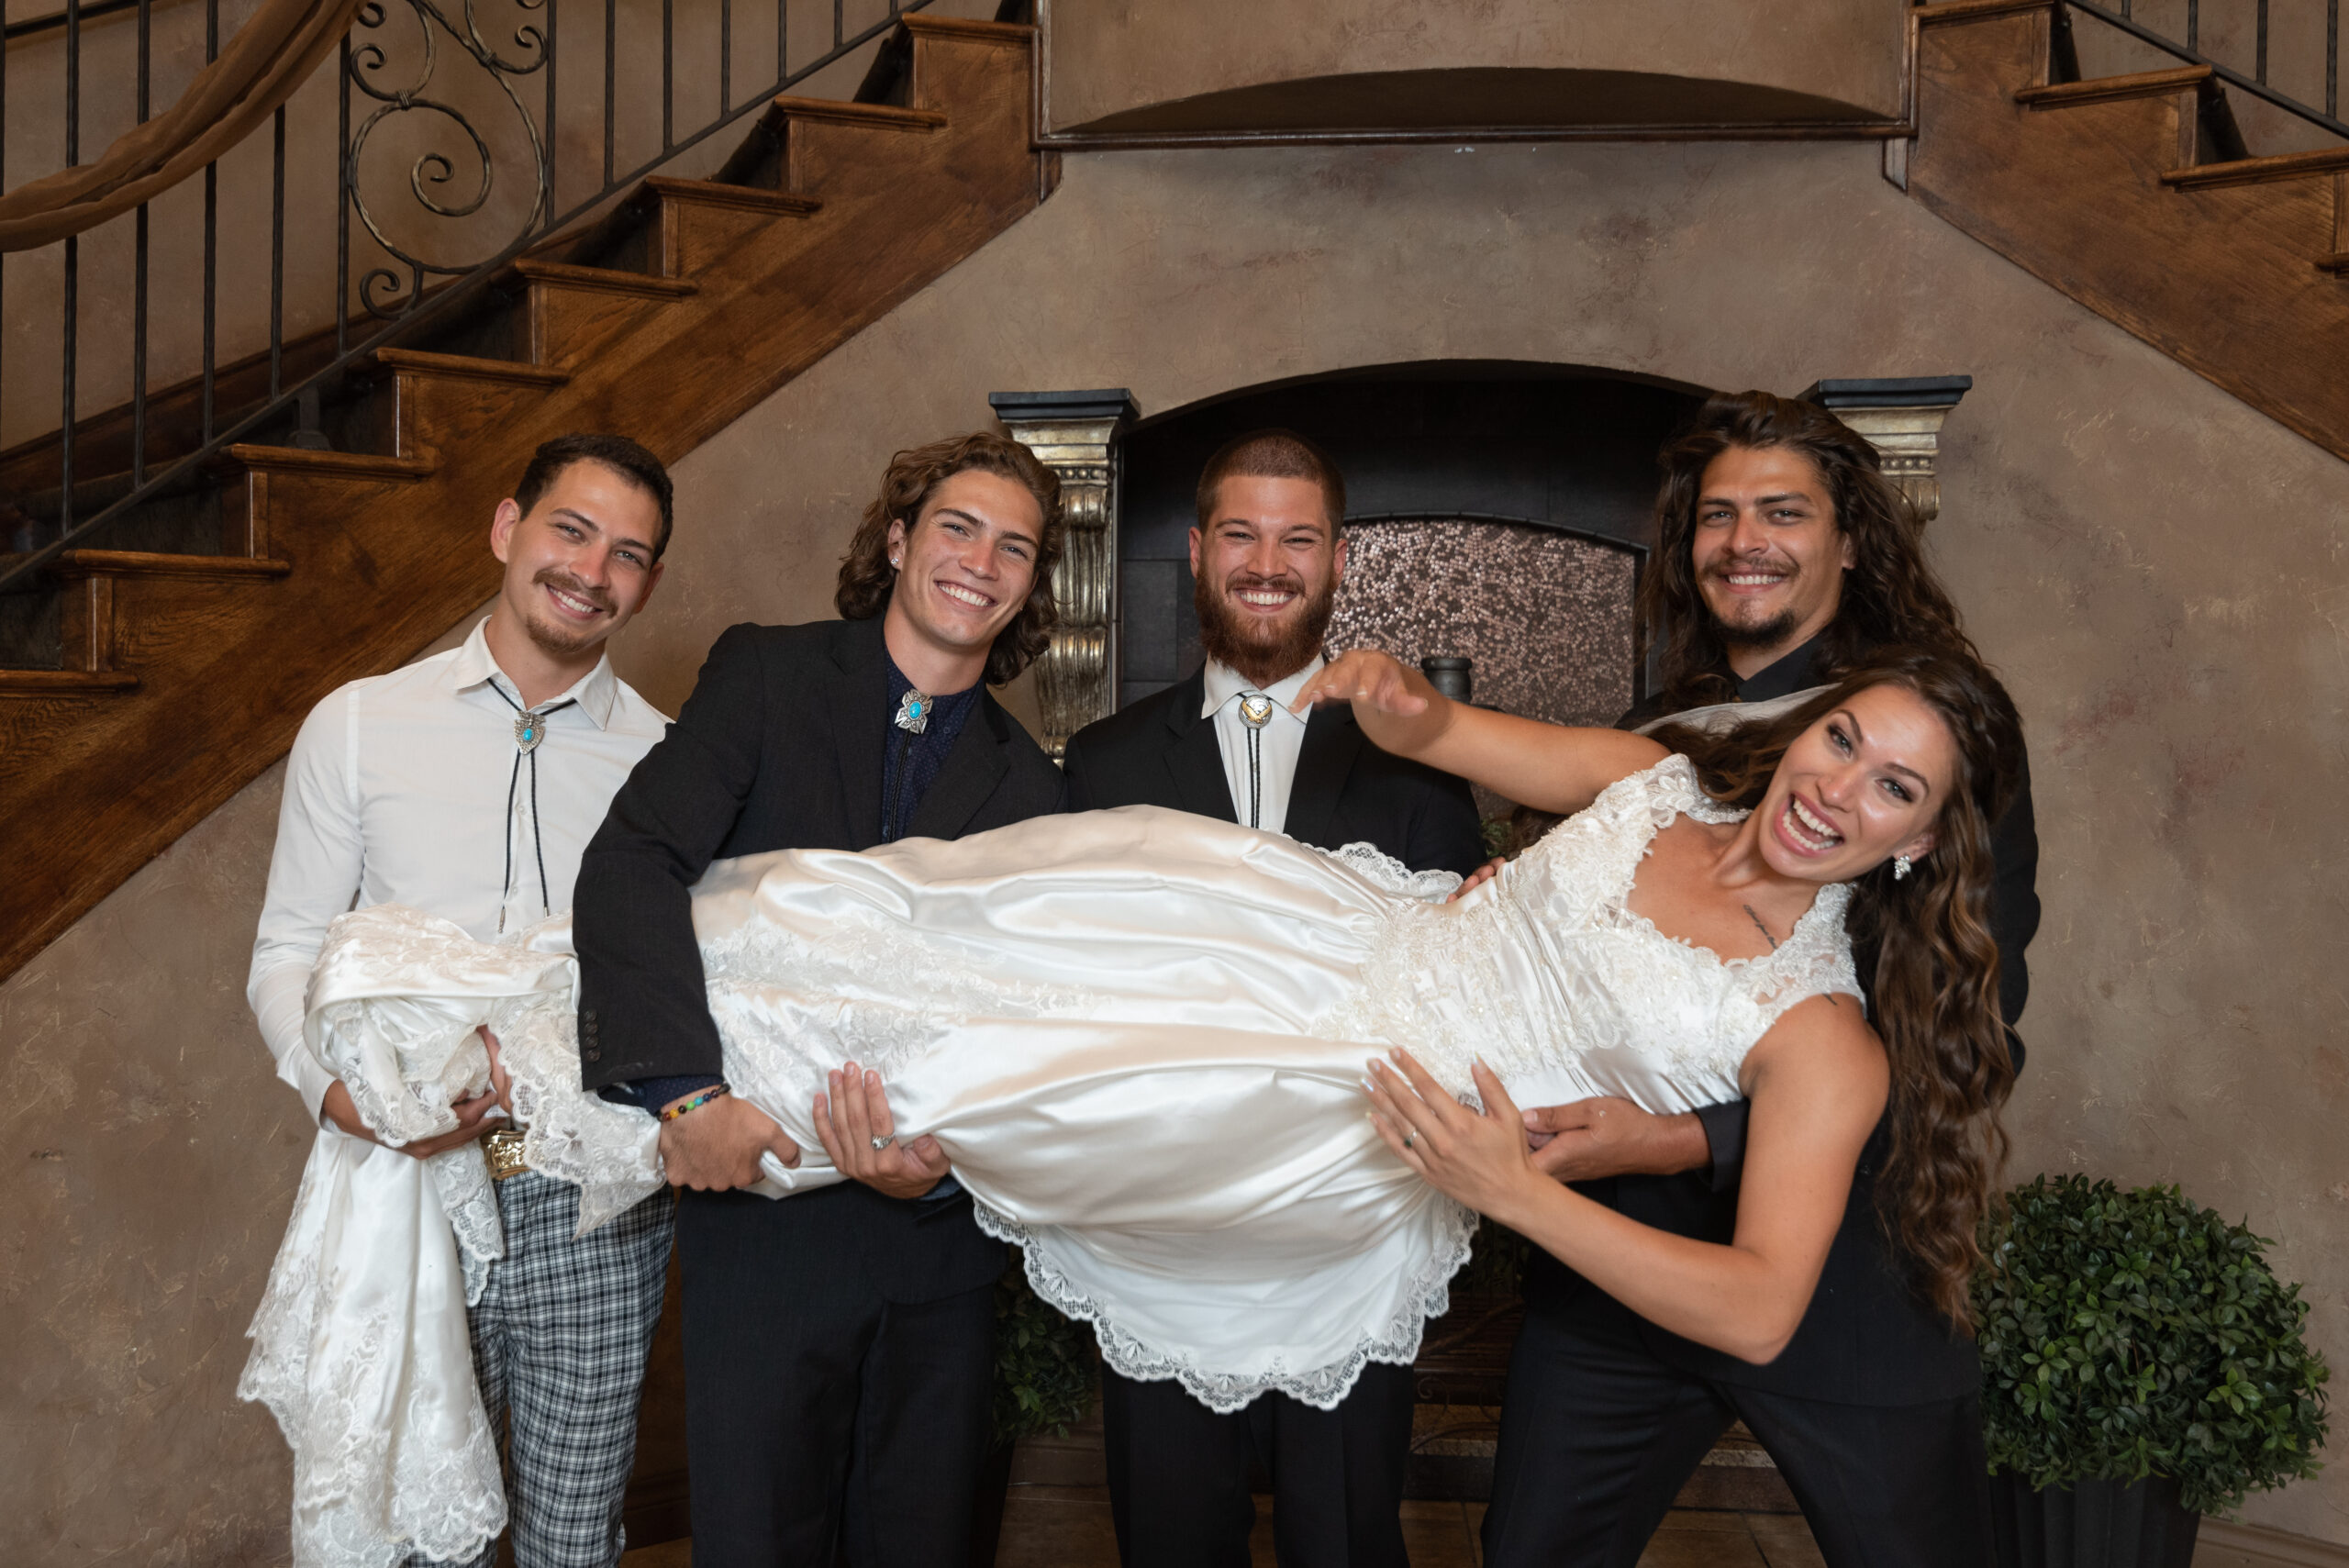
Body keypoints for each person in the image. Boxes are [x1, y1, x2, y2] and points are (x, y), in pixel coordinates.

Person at [298, 647, 2020, 1568]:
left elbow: (1759, 1297)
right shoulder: (1652, 777)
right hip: (1320, 930)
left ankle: (623, 1099)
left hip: (1366, 1101)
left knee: (1018, 1074)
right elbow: (1463, 735)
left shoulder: (1819, 1032)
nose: (1838, 784)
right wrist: (1405, 707)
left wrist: (1520, 1188)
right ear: (1803, 725)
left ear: (1919, 839)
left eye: (1893, 786)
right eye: (1844, 737)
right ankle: (519, 1015)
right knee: (937, 914)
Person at [1483, 390, 2043, 1567]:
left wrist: (1677, 1139)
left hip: (1849, 1281)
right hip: (1617, 1274)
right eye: (1717, 515)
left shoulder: (1925, 735)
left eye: (1782, 512)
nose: (1745, 542)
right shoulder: (1659, 733)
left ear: (1851, 539)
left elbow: (1972, 1031)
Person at [567, 432, 1068, 1566]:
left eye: (1014, 548)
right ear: (897, 541)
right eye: (956, 527)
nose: (979, 562)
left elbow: (1029, 1019)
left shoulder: (1037, 789)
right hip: (764, 1222)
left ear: (1030, 586)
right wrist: (686, 1095)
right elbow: (633, 860)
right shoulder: (767, 675)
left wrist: (943, 1165)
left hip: (936, 1250)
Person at [240, 434, 679, 1568]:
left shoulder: (670, 758)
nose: (591, 569)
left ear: (649, 584)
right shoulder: (359, 721)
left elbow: (682, 981)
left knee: (573, 1541)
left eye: (627, 553)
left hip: (592, 1205)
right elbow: (289, 942)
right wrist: (332, 1092)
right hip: (402, 1187)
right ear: (506, 528)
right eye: (569, 530)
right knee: (408, 1532)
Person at [1062, 428, 1485, 1568]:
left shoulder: (1417, 759)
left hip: (1348, 1231)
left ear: (1338, 560)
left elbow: (1460, 978)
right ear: (1197, 553)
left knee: (1344, 1537)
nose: (1267, 562)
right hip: (1164, 1230)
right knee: (1170, 1538)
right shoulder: (1099, 765)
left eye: (1297, 538)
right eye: (1240, 534)